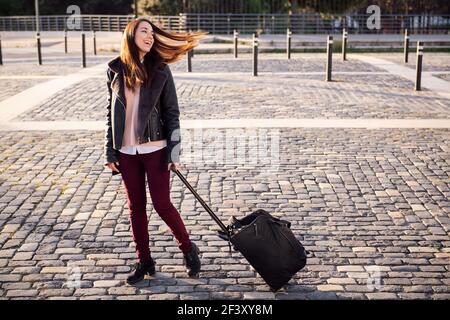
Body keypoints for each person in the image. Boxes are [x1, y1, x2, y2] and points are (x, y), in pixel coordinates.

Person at [104, 17, 206, 285]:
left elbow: (172, 113)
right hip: (126, 152)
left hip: (156, 149)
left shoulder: (160, 69)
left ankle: (188, 248)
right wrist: (110, 152)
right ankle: (144, 260)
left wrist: (174, 152)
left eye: (152, 33)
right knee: (135, 207)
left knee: (162, 204)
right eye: (144, 31)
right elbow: (110, 114)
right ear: (131, 35)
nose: (150, 36)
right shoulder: (115, 69)